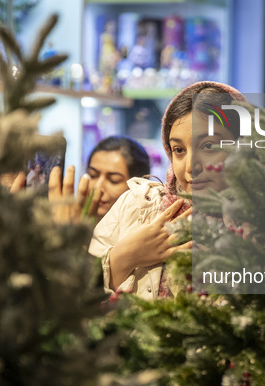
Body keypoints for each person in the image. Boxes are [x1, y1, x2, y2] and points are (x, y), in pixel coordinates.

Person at [88, 81, 246, 300]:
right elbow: (72, 297)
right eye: (179, 150)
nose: (191, 166)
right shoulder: (140, 205)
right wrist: (125, 257)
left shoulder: (261, 224)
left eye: (209, 146)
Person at [12, 135, 150, 223]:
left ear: (138, 185)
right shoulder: (63, 220)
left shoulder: (139, 238)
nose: (98, 187)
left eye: (113, 180)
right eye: (93, 175)